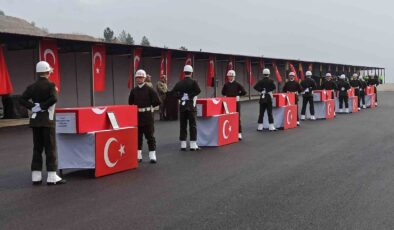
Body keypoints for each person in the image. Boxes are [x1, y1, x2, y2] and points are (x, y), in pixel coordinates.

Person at [19, 61, 66, 185]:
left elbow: (21, 99)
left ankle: (36, 176)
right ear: (47, 71)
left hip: (35, 121)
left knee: (37, 148)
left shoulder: (32, 86)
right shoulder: (51, 85)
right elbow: (54, 98)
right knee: (50, 148)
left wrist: (33, 107)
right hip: (47, 121)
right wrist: (43, 106)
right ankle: (51, 176)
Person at [128, 69, 161, 163]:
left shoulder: (150, 89)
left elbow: (157, 101)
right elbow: (130, 103)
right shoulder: (133, 91)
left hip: (147, 116)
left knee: (150, 136)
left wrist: (151, 108)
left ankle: (152, 155)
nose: (139, 79)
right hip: (137, 116)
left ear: (144, 78)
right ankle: (138, 155)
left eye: (141, 77)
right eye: (137, 77)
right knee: (138, 137)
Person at [171, 65, 201, 151]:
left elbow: (173, 93)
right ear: (191, 73)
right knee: (193, 125)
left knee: (183, 125)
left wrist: (181, 97)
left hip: (182, 106)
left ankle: (183, 144)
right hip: (191, 105)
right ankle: (192, 144)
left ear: (184, 72)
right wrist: (189, 96)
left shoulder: (179, 83)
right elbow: (198, 91)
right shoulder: (194, 82)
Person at [221, 70, 247, 139]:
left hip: (236, 102)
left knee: (237, 117)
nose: (230, 77)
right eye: (229, 76)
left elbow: (244, 92)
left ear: (234, 76)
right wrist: (226, 95)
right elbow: (223, 92)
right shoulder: (226, 84)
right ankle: (230, 132)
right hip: (228, 102)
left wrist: (238, 95)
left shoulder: (237, 84)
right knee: (229, 117)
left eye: (231, 76)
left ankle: (239, 133)